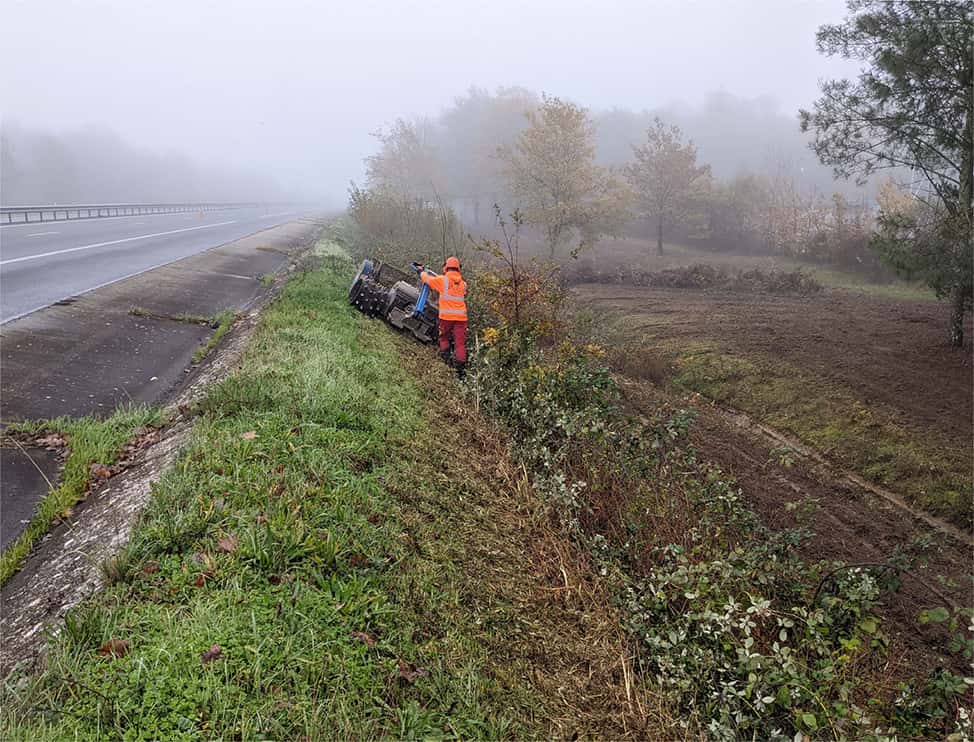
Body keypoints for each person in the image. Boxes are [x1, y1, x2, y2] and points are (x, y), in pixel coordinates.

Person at [420, 256, 467, 378]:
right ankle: (460, 372)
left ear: (446, 267)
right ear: (458, 269)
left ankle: (445, 362)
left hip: (446, 317)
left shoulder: (443, 280)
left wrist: (422, 272)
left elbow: (427, 280)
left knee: (444, 338)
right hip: (461, 319)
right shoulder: (463, 284)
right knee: (460, 344)